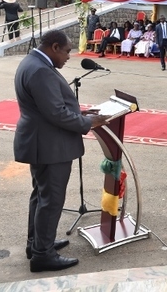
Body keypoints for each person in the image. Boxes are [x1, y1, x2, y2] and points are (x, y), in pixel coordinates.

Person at [13, 30, 110, 273]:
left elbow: (50, 107)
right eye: (67, 51)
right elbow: (55, 113)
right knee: (51, 200)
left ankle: (37, 244)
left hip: (42, 141)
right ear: (54, 47)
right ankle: (42, 255)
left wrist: (80, 114)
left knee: (41, 196)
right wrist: (89, 123)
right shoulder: (41, 70)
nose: (69, 57)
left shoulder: (32, 62)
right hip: (49, 145)